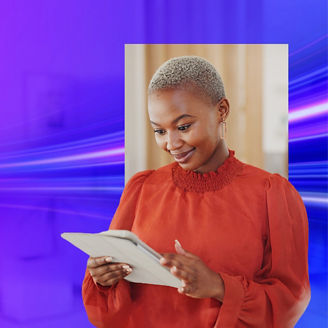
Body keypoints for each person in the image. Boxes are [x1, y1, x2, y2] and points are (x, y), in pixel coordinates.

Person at [82, 56, 311, 327]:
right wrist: (103, 279)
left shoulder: (271, 194)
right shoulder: (141, 189)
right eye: (159, 131)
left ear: (221, 111)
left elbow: (290, 301)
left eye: (183, 126)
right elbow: (109, 307)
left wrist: (218, 285)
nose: (171, 144)